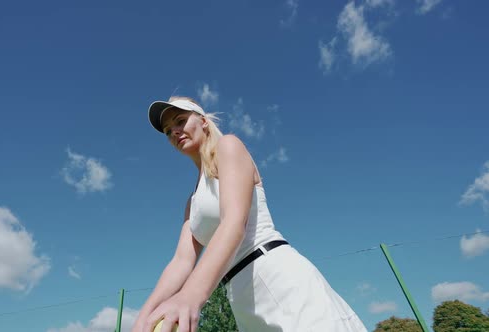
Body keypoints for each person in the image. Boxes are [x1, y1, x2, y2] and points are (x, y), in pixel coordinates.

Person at [132, 96, 367, 332]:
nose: (174, 131)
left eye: (180, 120)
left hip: (277, 278)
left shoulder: (228, 146)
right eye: (167, 131)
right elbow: (181, 262)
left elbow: (234, 223)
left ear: (203, 121)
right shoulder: (192, 202)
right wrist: (145, 316)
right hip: (242, 300)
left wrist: (190, 295)